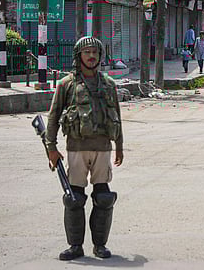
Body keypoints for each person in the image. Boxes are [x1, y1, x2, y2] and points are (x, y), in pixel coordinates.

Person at [46, 36, 124, 261]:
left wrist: (119, 146)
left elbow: (116, 116)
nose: (92, 56)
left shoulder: (108, 84)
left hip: (102, 147)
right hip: (76, 148)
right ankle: (75, 246)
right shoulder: (66, 84)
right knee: (74, 198)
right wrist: (51, 148)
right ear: (78, 55)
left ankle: (100, 245)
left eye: (96, 52)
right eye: (87, 52)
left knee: (104, 196)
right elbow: (52, 118)